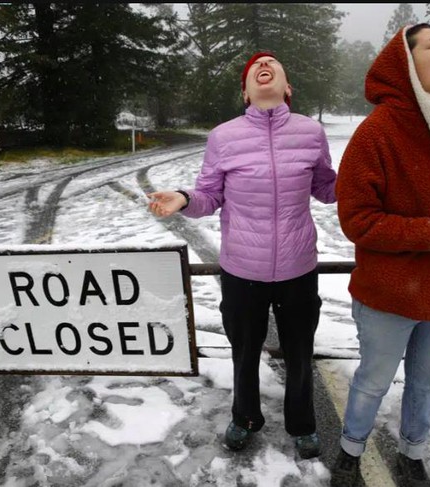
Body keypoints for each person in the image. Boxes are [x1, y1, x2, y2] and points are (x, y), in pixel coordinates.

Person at [147, 52, 337, 459]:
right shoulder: (224, 136)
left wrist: (363, 178)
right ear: (246, 91)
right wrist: (183, 198)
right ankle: (245, 417)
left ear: (287, 87)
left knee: (300, 351)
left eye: (273, 64)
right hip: (241, 269)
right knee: (244, 352)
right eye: (255, 67)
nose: (263, 66)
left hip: (298, 266)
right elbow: (210, 195)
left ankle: (302, 423)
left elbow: (326, 188)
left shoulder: (310, 132)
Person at [330, 24, 430, 486]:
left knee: (426, 383)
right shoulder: (375, 133)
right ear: (405, 63)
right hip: (388, 292)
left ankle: (413, 454)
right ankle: (349, 454)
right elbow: (357, 219)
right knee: (372, 383)